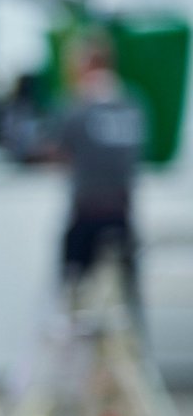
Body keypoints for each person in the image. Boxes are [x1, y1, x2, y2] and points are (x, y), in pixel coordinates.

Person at [54, 32, 146, 323]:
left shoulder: (77, 110)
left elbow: (57, 150)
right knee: (128, 305)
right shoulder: (134, 105)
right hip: (122, 215)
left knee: (73, 298)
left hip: (87, 217)